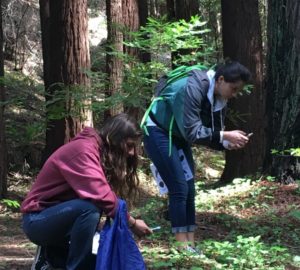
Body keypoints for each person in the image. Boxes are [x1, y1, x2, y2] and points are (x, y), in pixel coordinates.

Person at [142, 60, 251, 252]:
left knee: (190, 189)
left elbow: (213, 132)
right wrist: (224, 136)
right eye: (233, 89)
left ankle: (191, 244)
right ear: (221, 80)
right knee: (179, 188)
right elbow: (194, 132)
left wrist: (226, 142)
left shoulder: (219, 99)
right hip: (158, 131)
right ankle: (181, 246)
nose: (234, 95)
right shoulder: (192, 88)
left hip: (178, 134)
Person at [21, 113, 152, 270]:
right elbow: (102, 196)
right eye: (129, 145)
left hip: (54, 219)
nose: (131, 153)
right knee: (88, 209)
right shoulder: (83, 151)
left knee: (95, 259)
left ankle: (51, 260)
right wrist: (132, 223)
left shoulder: (95, 151)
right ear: (115, 138)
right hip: (37, 221)